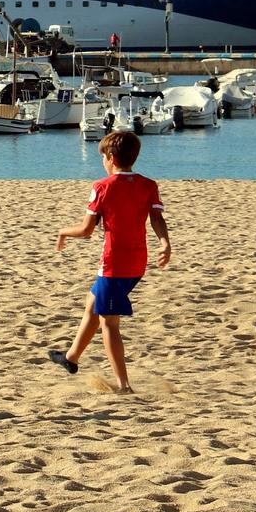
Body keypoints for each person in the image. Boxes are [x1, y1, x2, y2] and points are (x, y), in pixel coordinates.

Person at [48, 129, 170, 392]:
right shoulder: (149, 185)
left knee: (109, 323)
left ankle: (123, 385)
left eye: (103, 156)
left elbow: (86, 230)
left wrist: (61, 232)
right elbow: (157, 219)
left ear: (111, 158)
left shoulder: (101, 187)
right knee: (92, 304)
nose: (102, 161)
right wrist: (165, 243)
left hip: (114, 264)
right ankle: (70, 358)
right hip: (137, 262)